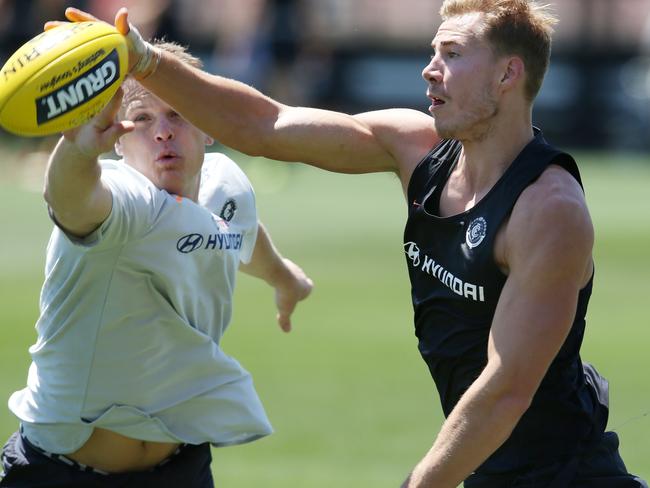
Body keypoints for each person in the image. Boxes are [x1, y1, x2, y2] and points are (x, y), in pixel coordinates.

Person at [48, 1, 648, 486]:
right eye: (431, 52)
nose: (429, 69)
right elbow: (266, 124)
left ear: (507, 74)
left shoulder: (550, 212)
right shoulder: (418, 150)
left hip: (564, 473)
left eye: (452, 54)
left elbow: (505, 390)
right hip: (486, 464)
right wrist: (144, 59)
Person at [0, 41, 313, 487]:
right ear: (120, 140)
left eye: (178, 114)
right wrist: (77, 151)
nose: (162, 132)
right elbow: (69, 200)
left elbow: (236, 231)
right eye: (143, 119)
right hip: (60, 472)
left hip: (179, 467)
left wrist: (283, 277)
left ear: (208, 126)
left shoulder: (225, 184)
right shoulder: (125, 198)